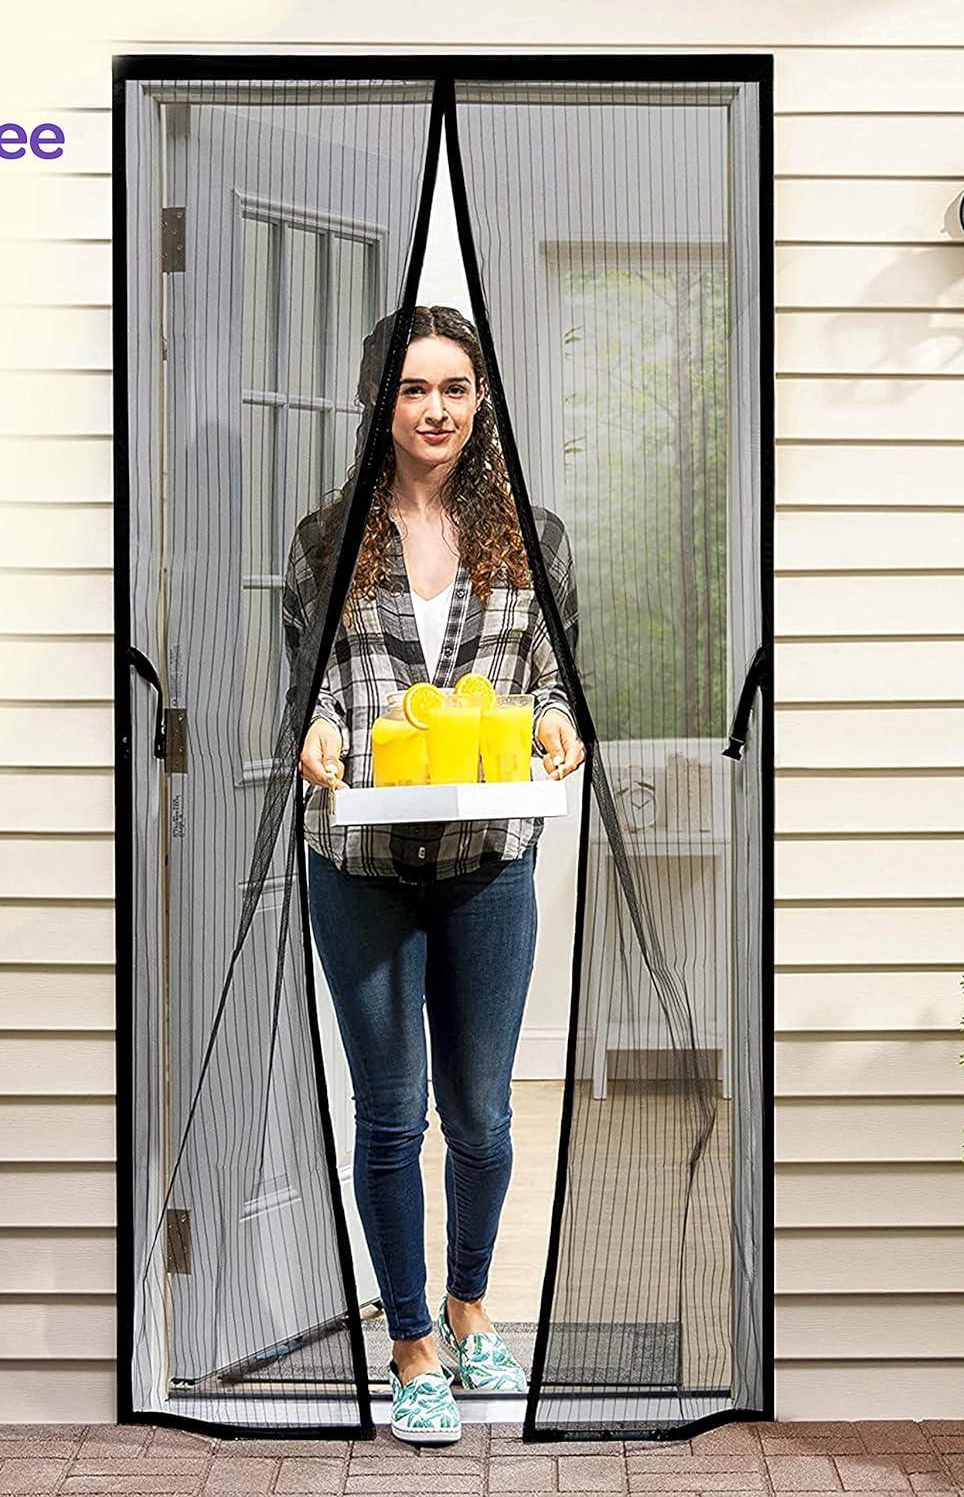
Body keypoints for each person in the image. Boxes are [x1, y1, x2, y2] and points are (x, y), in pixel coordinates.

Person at [280, 304, 584, 1443]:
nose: (437, 409)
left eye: (456, 388)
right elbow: (305, 688)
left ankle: (470, 1310)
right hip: (358, 861)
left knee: (484, 1119)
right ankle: (408, 1343)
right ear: (382, 403)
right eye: (415, 390)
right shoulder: (326, 538)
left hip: (488, 861)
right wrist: (312, 732)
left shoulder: (535, 538)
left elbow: (558, 677)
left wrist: (560, 725)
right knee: (392, 1118)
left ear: (482, 400)